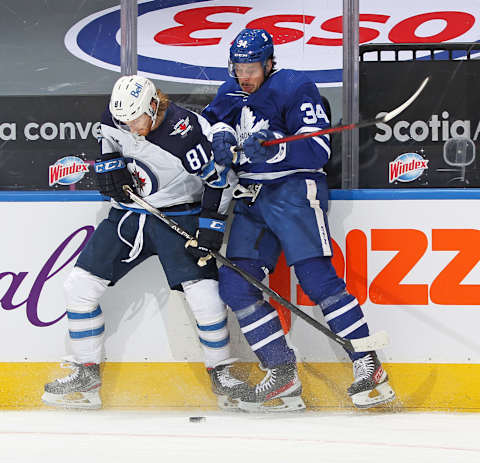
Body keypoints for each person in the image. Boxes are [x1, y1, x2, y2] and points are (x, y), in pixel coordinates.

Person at [200, 28, 396, 412]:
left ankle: (368, 364)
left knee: (317, 280)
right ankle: (282, 373)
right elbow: (217, 118)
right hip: (252, 200)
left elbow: (319, 148)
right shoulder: (230, 89)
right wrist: (220, 137)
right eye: (238, 67)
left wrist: (274, 148)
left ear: (270, 62)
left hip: (293, 193)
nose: (244, 76)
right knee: (237, 285)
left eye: (252, 67)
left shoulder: (295, 87)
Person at [42, 75, 249, 410]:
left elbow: (220, 180)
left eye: (136, 120)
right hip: (127, 215)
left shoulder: (185, 134)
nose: (131, 128)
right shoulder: (116, 116)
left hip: (179, 216)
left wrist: (210, 229)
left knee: (205, 294)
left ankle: (222, 372)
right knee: (78, 287)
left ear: (154, 106)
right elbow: (108, 142)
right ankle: (86, 372)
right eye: (124, 121)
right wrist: (110, 170)